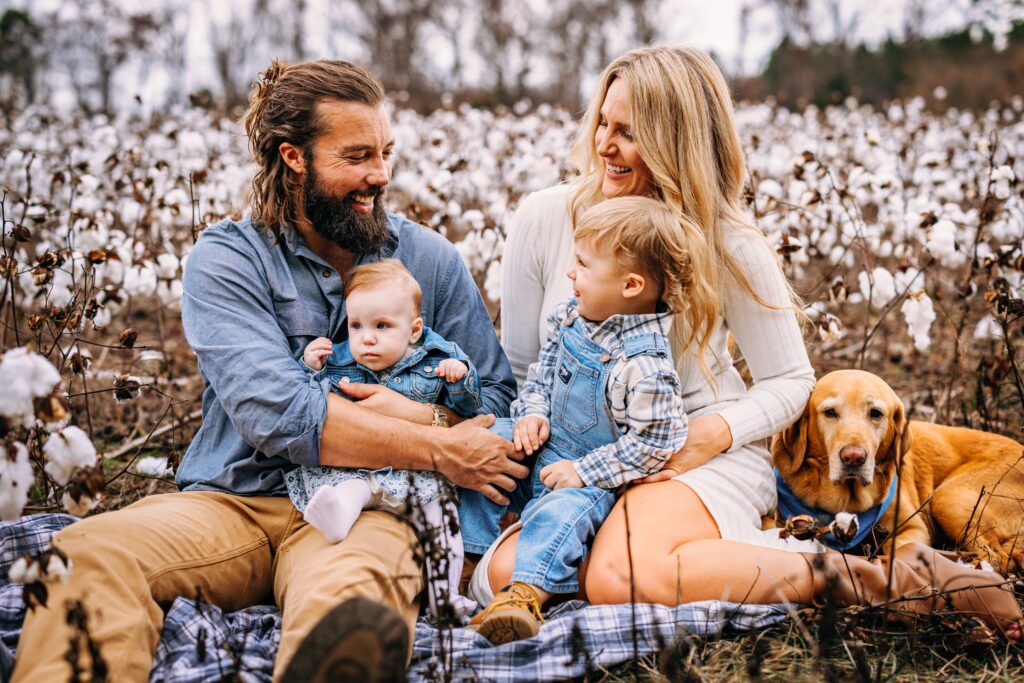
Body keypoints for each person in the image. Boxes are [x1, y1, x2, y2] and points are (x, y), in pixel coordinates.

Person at [472, 46, 1022, 631]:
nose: (604, 145)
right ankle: (730, 557)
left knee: (618, 574)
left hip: (693, 453)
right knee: (507, 574)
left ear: (675, 141)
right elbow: (524, 367)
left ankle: (894, 580)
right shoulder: (545, 217)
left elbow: (792, 381)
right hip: (581, 461)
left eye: (628, 132)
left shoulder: (728, 241)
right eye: (602, 123)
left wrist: (710, 436)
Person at [11, 59, 527, 683]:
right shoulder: (228, 259)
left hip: (373, 505)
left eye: (386, 152)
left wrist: (427, 414)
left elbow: (495, 390)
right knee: (84, 556)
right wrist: (442, 448)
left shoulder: (429, 260)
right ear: (294, 157)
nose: (381, 175)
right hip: (234, 502)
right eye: (358, 156)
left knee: (354, 604)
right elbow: (280, 413)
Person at [468, 196, 691, 644]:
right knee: (484, 441)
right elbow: (540, 378)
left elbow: (653, 444)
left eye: (584, 264)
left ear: (630, 285)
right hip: (543, 446)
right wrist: (531, 414)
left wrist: (582, 471)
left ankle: (524, 594)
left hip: (591, 476)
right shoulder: (572, 317)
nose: (571, 272)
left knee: (562, 513)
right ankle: (468, 553)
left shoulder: (644, 366)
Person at [288, 258, 480, 619]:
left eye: (381, 326)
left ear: (414, 330)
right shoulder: (338, 359)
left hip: (415, 472)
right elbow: (304, 402)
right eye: (356, 325)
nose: (367, 338)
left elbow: (471, 409)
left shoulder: (434, 361)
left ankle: (446, 597)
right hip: (359, 466)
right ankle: (337, 517)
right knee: (352, 489)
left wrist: (459, 378)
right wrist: (309, 367)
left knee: (443, 520)